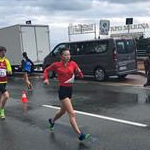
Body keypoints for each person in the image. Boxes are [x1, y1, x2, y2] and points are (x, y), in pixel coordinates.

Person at [43, 47, 91, 141]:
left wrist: (79, 73)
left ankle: (52, 121)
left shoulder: (73, 63)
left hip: (70, 90)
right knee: (71, 113)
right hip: (63, 91)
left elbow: (80, 74)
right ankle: (80, 135)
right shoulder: (56, 65)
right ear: (61, 56)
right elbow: (46, 70)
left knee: (62, 112)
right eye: (65, 55)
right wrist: (46, 78)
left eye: (69, 54)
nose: (68, 56)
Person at [0, 46, 12, 119]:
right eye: (2, 52)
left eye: (4, 52)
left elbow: (10, 71)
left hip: (4, 81)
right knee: (6, 96)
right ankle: (2, 111)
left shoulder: (6, 61)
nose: (3, 53)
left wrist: (7, 70)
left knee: (1, 97)